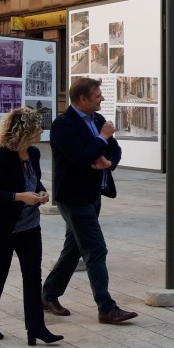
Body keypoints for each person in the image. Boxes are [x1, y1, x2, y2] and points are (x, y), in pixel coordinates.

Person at [41, 77, 138, 325]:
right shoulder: (63, 125)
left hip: (93, 195)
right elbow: (80, 158)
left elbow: (115, 149)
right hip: (74, 197)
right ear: (82, 99)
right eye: (97, 95)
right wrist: (102, 138)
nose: (102, 98)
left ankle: (48, 295)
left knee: (74, 249)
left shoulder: (96, 119)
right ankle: (106, 308)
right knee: (96, 249)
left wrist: (109, 162)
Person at [0, 107, 64, 346]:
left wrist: (41, 192)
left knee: (33, 277)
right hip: (1, 227)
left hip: (30, 226)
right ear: (26, 131)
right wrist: (19, 197)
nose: (42, 131)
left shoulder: (33, 153)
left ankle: (36, 328)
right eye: (38, 127)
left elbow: (34, 181)